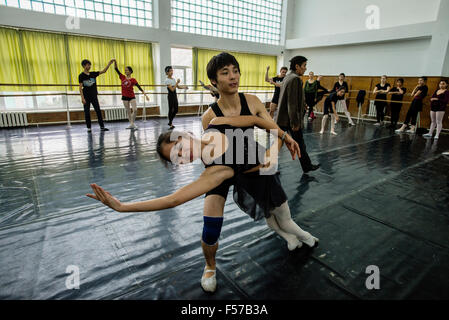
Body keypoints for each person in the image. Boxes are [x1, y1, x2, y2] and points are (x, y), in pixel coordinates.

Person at [87, 116, 318, 290]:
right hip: (249, 178)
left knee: (283, 220)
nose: (182, 157)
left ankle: (305, 237)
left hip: (266, 182)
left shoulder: (216, 123)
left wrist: (283, 135)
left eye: (179, 148)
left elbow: (256, 119)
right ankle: (217, 263)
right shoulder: (215, 172)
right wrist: (122, 207)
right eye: (175, 159)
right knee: (249, 225)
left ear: (184, 135)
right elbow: (173, 199)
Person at [198, 52, 302, 293]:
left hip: (250, 161)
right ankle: (210, 266)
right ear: (214, 82)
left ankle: (292, 236)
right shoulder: (209, 116)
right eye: (225, 73)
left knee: (276, 206)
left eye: (235, 70)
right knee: (210, 223)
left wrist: (280, 145)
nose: (233, 76)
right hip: (223, 166)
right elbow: (210, 154)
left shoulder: (253, 101)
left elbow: (272, 128)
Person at [273, 55, 321, 174]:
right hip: (290, 120)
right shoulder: (295, 79)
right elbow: (292, 103)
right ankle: (306, 166)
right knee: (295, 143)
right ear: (297, 66)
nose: (305, 69)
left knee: (279, 144)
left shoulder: (288, 77)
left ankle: (307, 166)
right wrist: (295, 122)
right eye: (304, 66)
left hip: (283, 118)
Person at [79, 59, 114, 132]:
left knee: (98, 111)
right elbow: (80, 88)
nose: (89, 66)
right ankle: (89, 128)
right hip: (86, 97)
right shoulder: (81, 75)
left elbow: (104, 71)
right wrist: (82, 98)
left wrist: (109, 64)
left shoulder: (93, 74)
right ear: (84, 66)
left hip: (94, 96)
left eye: (90, 65)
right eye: (87, 65)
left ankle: (102, 126)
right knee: (87, 112)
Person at [114, 61, 149, 130]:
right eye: (125, 70)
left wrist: (145, 94)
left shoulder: (133, 79)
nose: (125, 71)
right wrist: (115, 62)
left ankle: (132, 123)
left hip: (132, 96)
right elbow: (116, 69)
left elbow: (138, 87)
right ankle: (131, 124)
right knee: (128, 111)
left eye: (127, 70)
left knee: (135, 110)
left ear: (130, 71)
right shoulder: (122, 77)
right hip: (124, 97)